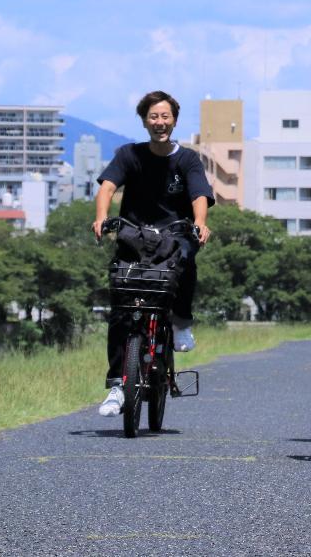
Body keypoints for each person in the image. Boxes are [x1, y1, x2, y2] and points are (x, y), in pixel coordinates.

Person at [92, 91, 213, 417]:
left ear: (174, 119)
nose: (160, 123)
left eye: (165, 117)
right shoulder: (129, 154)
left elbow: (199, 194)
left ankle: (181, 323)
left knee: (187, 261)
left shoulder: (187, 159)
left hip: (174, 234)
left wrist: (200, 223)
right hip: (134, 234)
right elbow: (107, 186)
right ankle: (118, 384)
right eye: (153, 117)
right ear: (145, 120)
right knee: (121, 302)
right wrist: (102, 217)